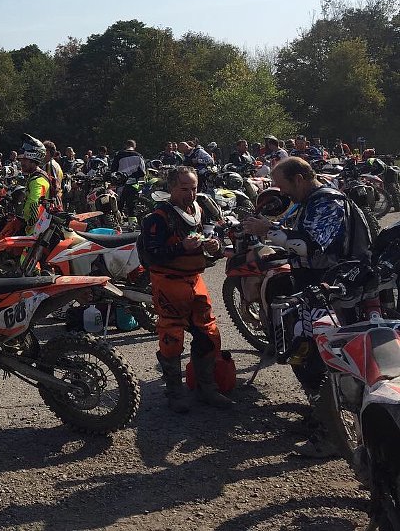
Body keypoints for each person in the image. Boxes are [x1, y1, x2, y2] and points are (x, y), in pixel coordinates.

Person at [242, 156, 372, 458]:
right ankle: (321, 417)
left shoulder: (327, 201)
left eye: (283, 185)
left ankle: (333, 435)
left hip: (331, 291)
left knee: (322, 359)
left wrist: (268, 230)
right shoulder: (307, 202)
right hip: (313, 287)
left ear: (299, 179)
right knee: (303, 354)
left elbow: (311, 245)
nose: (282, 192)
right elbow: (295, 237)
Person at [139, 166, 232, 413]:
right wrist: (181, 247)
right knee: (172, 338)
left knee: (209, 334)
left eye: (194, 188)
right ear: (171, 188)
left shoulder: (199, 209)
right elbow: (152, 254)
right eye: (184, 189)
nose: (190, 194)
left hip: (195, 279)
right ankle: (175, 393)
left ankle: (207, 388)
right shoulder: (157, 218)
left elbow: (214, 239)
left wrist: (215, 247)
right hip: (168, 282)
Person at [17, 135, 51, 234]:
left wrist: (29, 223)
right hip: (37, 227)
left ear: (33, 160)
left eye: (25, 160)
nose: (22, 163)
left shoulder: (38, 180)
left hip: (36, 230)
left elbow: (35, 204)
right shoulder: (35, 176)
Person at [43, 141, 64, 210]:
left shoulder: (49, 165)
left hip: (51, 203)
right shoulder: (56, 164)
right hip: (57, 200)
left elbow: (52, 186)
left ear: (48, 152)